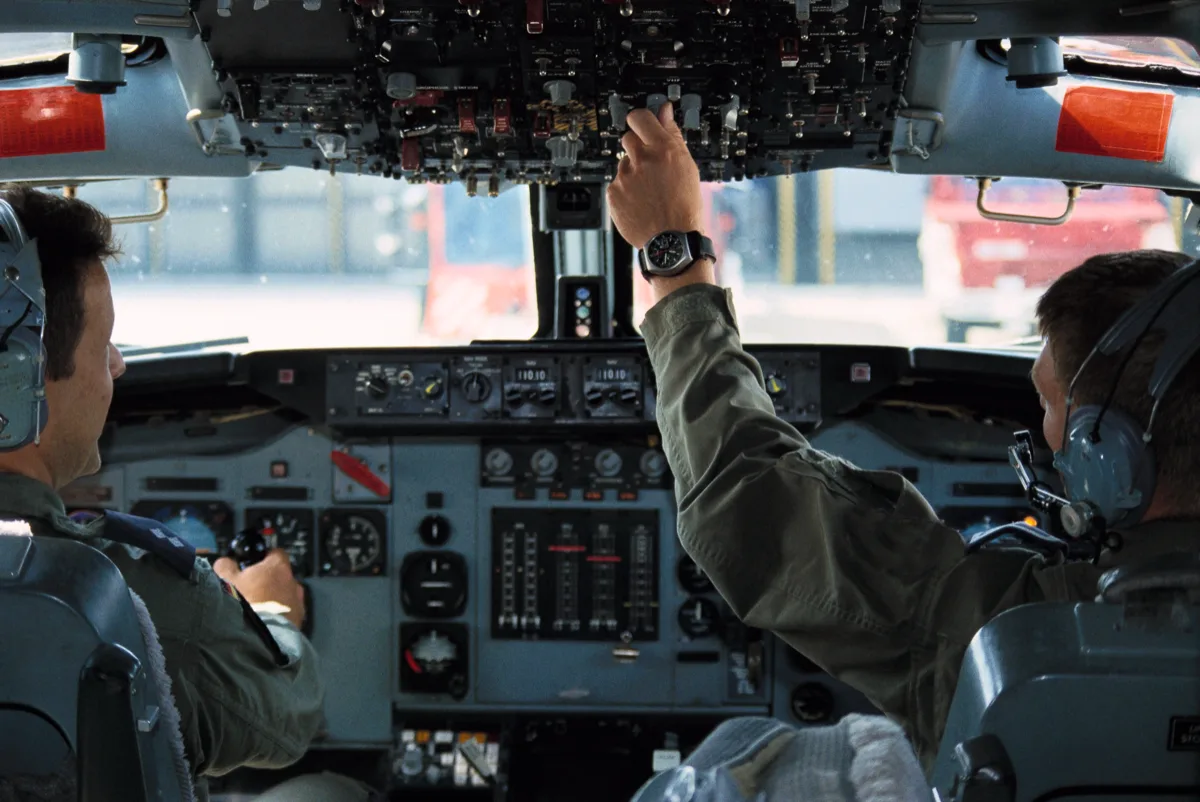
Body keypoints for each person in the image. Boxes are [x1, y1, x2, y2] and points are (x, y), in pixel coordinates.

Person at [607, 104, 1200, 769]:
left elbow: (748, 502)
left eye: (1050, 405)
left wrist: (675, 253)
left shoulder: (1011, 639)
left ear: (1107, 454)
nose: (1046, 436)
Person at [0, 186, 377, 801]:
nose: (118, 365)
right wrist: (272, 613)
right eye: (104, 345)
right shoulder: (127, 596)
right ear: (21, 379)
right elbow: (286, 717)